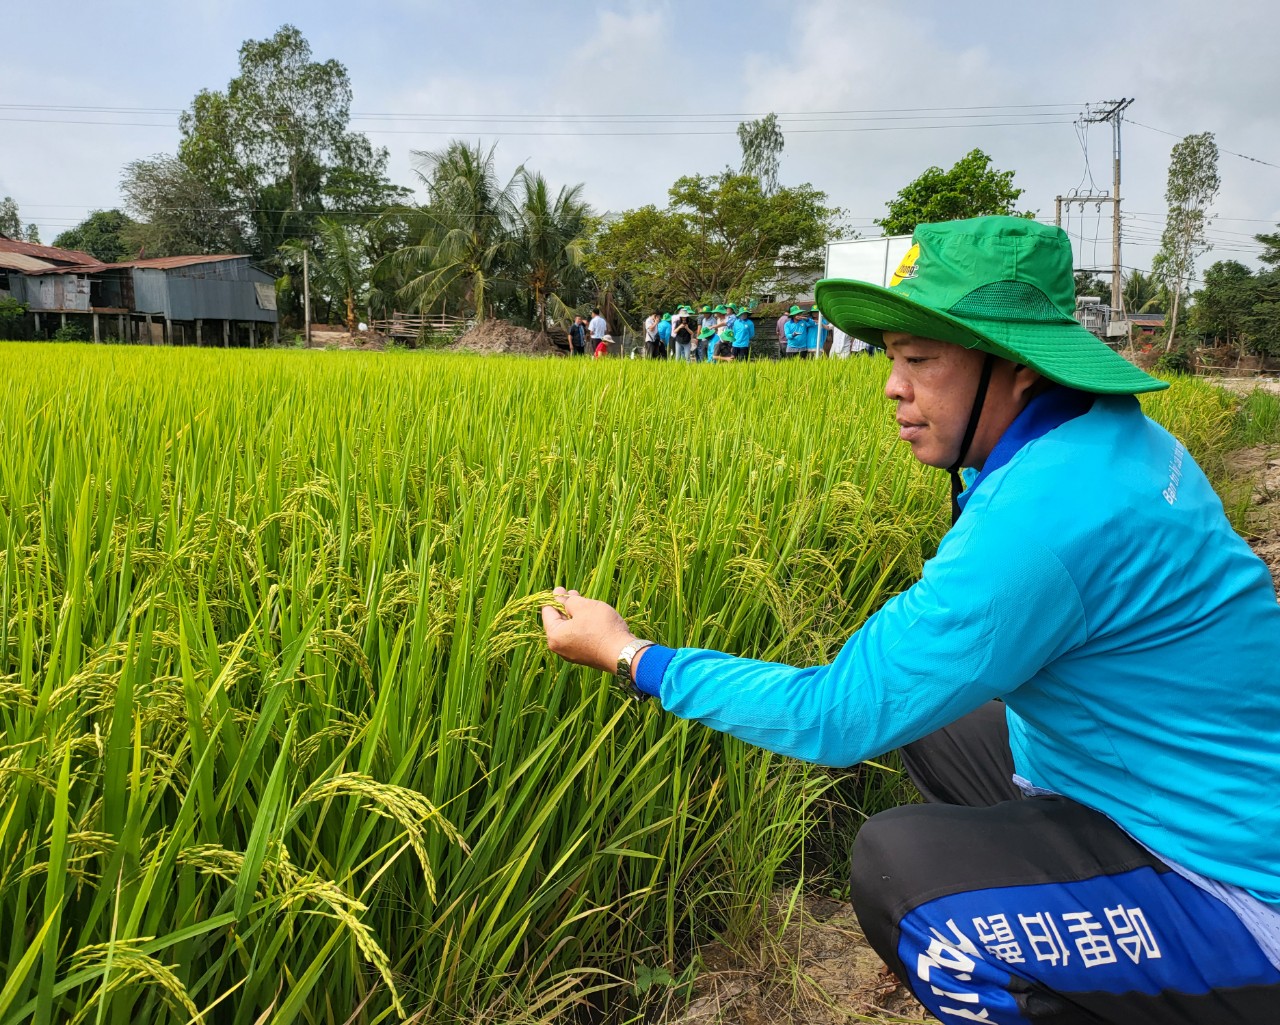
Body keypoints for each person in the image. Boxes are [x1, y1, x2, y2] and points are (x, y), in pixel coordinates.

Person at [542, 216, 1280, 1024]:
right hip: (1167, 782)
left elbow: (833, 716)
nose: (894, 385)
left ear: (1019, 370)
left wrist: (629, 653)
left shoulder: (1041, 519)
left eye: (922, 359)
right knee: (933, 722)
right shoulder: (1110, 435)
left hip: (1235, 886)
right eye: (892, 357)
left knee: (902, 875)